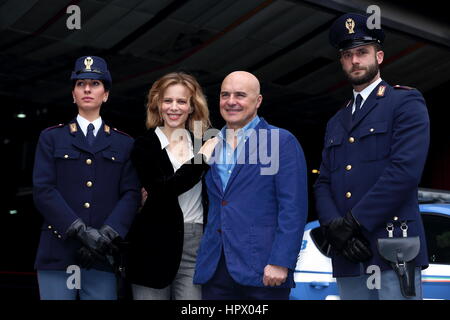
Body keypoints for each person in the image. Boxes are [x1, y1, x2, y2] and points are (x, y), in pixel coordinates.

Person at [314, 13, 430, 300]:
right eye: (348, 55)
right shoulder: (335, 121)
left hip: (393, 248)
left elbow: (404, 172)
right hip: (348, 254)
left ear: (379, 56)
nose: (355, 61)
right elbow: (323, 182)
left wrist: (353, 223)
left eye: (362, 52)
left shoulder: (404, 102)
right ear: (341, 61)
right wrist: (334, 228)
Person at [32, 56, 141, 300]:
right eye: (81, 84)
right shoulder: (51, 138)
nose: (88, 89)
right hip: (58, 252)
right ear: (73, 94)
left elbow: (131, 194)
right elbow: (43, 190)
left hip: (103, 255)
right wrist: (81, 232)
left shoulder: (124, 143)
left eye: (95, 83)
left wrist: (105, 236)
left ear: (106, 95)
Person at [193, 71, 308, 300]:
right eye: (225, 95)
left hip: (264, 268)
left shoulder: (281, 140)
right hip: (215, 268)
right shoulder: (207, 142)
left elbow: (293, 208)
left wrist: (281, 262)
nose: (231, 101)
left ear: (258, 101)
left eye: (240, 95)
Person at [126, 72, 212, 300]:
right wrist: (200, 161)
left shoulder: (204, 141)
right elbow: (162, 191)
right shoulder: (144, 145)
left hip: (196, 241)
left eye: (182, 101)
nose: (174, 107)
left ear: (192, 106)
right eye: (168, 101)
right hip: (152, 243)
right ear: (157, 104)